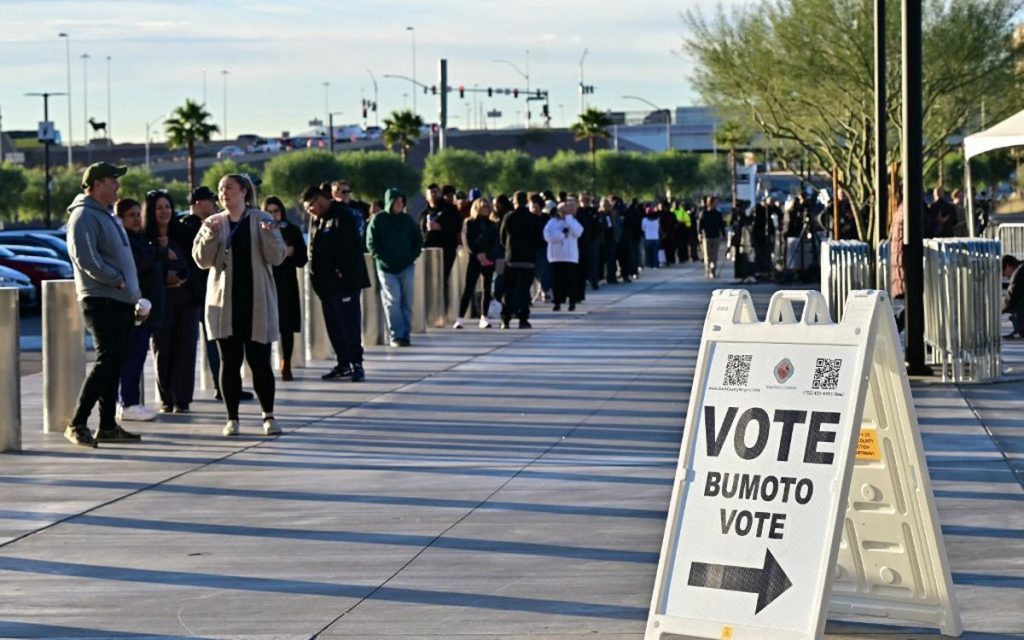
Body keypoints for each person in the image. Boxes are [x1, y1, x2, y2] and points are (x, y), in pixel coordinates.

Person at [193, 174, 287, 437]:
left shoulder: (262, 220)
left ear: (244, 192)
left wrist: (270, 236)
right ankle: (231, 418)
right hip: (225, 304)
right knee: (229, 361)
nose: (224, 194)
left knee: (259, 361)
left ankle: (268, 416)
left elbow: (277, 257)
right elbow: (201, 260)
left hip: (257, 301)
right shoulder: (214, 222)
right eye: (221, 190)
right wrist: (209, 235)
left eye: (229, 188)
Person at [64, 162, 142, 447]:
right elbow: (85, 259)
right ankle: (77, 423)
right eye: (112, 181)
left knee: (114, 363)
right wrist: (116, 279)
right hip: (102, 300)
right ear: (96, 185)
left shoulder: (106, 215)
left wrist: (131, 291)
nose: (117, 186)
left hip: (119, 301)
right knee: (107, 361)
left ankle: (107, 425)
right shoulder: (84, 215)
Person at [302, 185, 370, 379]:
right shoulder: (317, 221)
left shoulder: (342, 216)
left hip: (345, 284)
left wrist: (341, 273)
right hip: (326, 286)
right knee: (334, 326)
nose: (310, 211)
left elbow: (350, 249)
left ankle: (357, 364)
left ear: (320, 200)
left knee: (349, 325)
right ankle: (343, 364)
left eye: (311, 206)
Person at [143, 189, 195, 413]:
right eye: (159, 208)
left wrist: (182, 277)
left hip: (187, 298)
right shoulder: (144, 238)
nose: (164, 212)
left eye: (167, 207)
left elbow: (196, 263)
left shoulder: (183, 233)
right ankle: (167, 398)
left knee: (186, 348)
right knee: (162, 349)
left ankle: (182, 399)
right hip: (160, 300)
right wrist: (165, 275)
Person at [115, 198, 163, 423]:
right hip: (136, 309)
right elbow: (138, 263)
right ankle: (129, 403)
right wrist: (160, 252)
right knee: (131, 357)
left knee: (136, 356)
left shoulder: (141, 239)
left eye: (138, 214)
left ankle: (128, 401)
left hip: (148, 309)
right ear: (121, 219)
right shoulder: (125, 242)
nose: (136, 219)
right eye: (131, 215)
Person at [367, 188, 423, 347]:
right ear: (389, 202)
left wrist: (412, 256)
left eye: (401, 201)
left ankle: (405, 334)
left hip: (406, 266)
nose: (399, 204)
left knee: (407, 301)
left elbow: (418, 240)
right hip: (386, 268)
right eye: (396, 201)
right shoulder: (378, 220)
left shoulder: (407, 220)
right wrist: (381, 258)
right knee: (392, 301)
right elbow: (371, 243)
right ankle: (396, 335)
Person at [263, 196, 307, 381]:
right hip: (266, 282)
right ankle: (264, 365)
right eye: (269, 211)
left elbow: (302, 259)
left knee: (286, 326)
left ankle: (285, 362)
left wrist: (291, 252)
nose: (273, 215)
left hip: (286, 283)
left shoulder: (292, 230)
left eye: (276, 211)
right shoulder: (260, 229)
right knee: (263, 325)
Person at [454, 197, 499, 329]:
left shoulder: (492, 225)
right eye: (482, 206)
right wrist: (478, 255)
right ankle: (460, 318)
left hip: (488, 259)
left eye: (487, 206)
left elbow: (495, 243)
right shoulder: (469, 223)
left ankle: (484, 317)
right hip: (474, 259)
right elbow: (466, 241)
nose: (485, 209)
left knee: (486, 288)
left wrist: (487, 256)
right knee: (469, 288)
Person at [499, 191, 541, 329]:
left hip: (512, 258)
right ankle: (523, 319)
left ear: (514, 202)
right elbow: (539, 239)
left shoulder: (508, 217)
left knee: (509, 290)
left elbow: (502, 238)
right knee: (524, 291)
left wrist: (509, 248)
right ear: (526, 202)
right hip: (528, 259)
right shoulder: (533, 218)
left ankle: (505, 319)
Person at [543, 198, 584, 311]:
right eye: (561, 210)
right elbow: (548, 236)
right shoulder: (551, 222)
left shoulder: (572, 221)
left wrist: (569, 218)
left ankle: (572, 302)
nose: (562, 212)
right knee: (557, 282)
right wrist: (561, 235)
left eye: (564, 210)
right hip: (555, 257)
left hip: (570, 257)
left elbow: (578, 232)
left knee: (571, 281)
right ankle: (557, 302)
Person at [419, 183, 461, 291]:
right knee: (429, 280)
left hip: (446, 249)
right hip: (428, 251)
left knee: (442, 279)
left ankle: (445, 305)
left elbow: (458, 226)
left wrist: (441, 227)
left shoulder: (450, 209)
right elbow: (420, 232)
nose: (434, 194)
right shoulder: (424, 214)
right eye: (431, 192)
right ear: (427, 196)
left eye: (436, 192)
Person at [699, 196, 726, 278]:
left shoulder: (718, 214)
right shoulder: (704, 213)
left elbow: (721, 225)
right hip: (706, 236)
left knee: (714, 255)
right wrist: (699, 234)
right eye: (714, 202)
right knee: (707, 255)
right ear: (710, 203)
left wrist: (724, 235)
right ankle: (707, 269)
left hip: (716, 236)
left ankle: (713, 270)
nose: (716, 204)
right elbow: (700, 225)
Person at [1002, 255, 1024, 340]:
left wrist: (997, 311)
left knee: (1017, 303)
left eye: (1004, 273)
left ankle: (1021, 330)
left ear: (1008, 266)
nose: (1005, 277)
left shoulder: (1018, 273)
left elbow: (1010, 300)